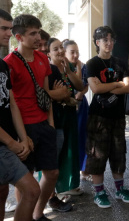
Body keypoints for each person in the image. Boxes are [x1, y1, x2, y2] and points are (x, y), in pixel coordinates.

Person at [0, 7, 40, 221]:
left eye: (10, 29)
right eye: (4, 28)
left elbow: (12, 104)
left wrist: (23, 138)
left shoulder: (1, 64)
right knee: (32, 191)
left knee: (0, 193)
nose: (9, 33)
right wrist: (11, 143)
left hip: (9, 140)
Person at [4, 14, 59, 221]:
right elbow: (10, 103)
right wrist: (20, 135)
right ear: (19, 37)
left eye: (38, 32)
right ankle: (25, 215)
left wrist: (51, 124)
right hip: (23, 128)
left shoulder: (43, 58)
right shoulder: (9, 63)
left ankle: (37, 214)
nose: (39, 38)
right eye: (33, 33)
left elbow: (45, 95)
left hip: (44, 124)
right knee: (26, 180)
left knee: (52, 173)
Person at [85, 26, 129, 208]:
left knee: (118, 154)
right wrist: (118, 83)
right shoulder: (92, 64)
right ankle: (99, 192)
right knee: (97, 155)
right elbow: (95, 89)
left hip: (118, 116)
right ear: (97, 43)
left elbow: (128, 88)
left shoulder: (120, 63)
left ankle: (120, 189)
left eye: (111, 40)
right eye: (105, 40)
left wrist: (110, 85)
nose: (109, 43)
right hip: (98, 117)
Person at [46, 37, 84, 209]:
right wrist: (64, 95)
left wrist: (68, 71)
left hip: (69, 117)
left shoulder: (65, 67)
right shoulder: (48, 70)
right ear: (49, 53)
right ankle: (50, 195)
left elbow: (79, 85)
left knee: (68, 152)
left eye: (61, 47)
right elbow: (54, 94)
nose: (60, 51)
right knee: (54, 156)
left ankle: (63, 189)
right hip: (56, 117)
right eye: (55, 49)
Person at [63, 40, 91, 182]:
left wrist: (79, 95)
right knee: (70, 140)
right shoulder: (61, 68)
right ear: (64, 53)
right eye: (72, 52)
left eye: (77, 51)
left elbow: (86, 85)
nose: (75, 55)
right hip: (67, 106)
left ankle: (85, 170)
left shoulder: (83, 66)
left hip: (81, 106)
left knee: (83, 137)